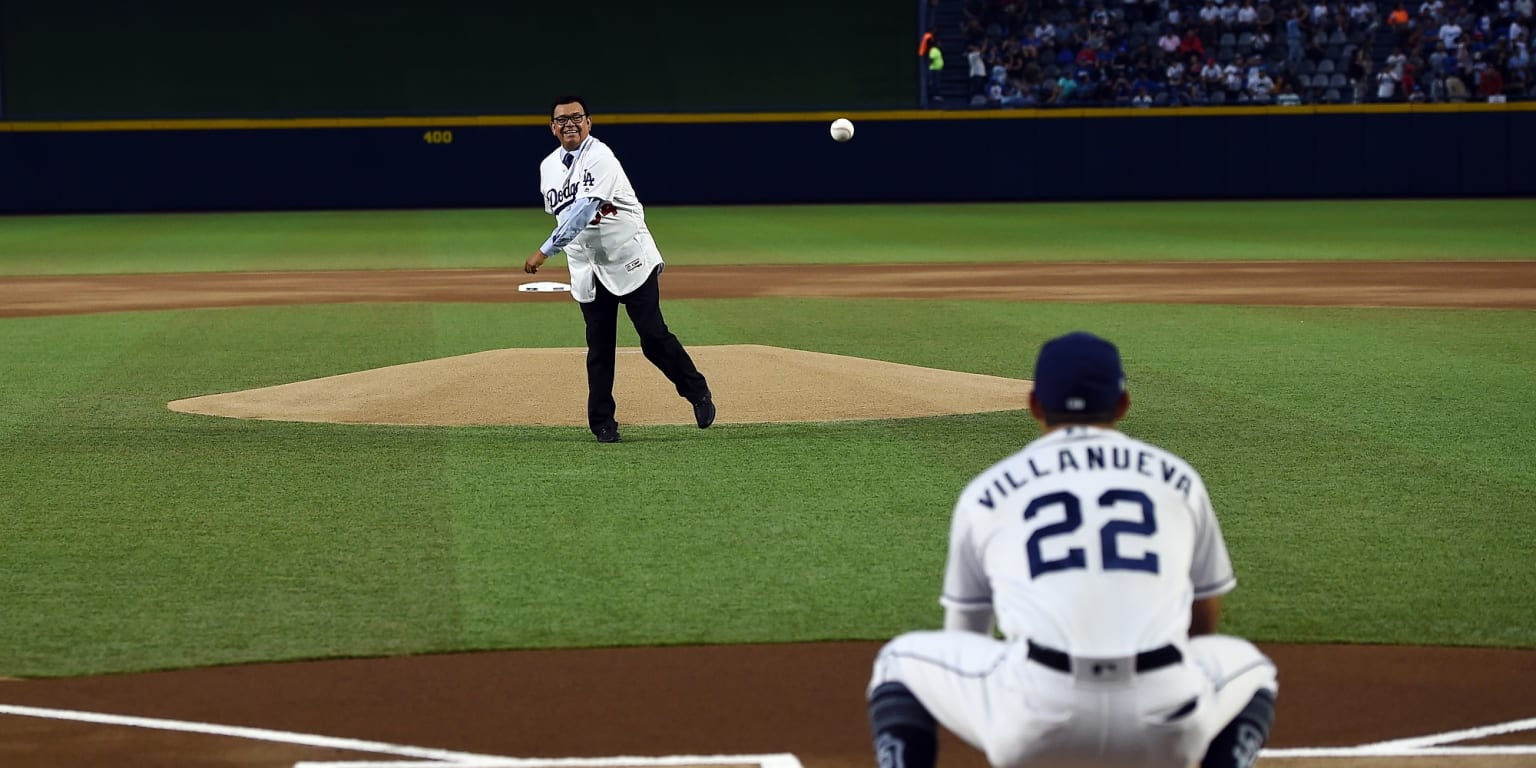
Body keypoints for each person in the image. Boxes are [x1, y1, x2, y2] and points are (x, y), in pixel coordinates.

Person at [865, 331, 1279, 768]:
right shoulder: (1178, 481)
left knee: (897, 661)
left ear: (1034, 405)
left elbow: (965, 635)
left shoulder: (988, 491)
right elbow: (1204, 614)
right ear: (1123, 404)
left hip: (1036, 722)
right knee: (1252, 669)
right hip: (1168, 724)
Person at [524, 96, 715, 444]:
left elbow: (584, 210)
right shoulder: (547, 167)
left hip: (628, 257)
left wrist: (545, 250)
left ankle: (697, 392)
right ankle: (602, 423)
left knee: (653, 337)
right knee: (599, 347)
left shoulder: (600, 157)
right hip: (586, 266)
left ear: (589, 122)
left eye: (577, 117)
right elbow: (563, 214)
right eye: (561, 119)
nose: (569, 123)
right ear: (552, 127)